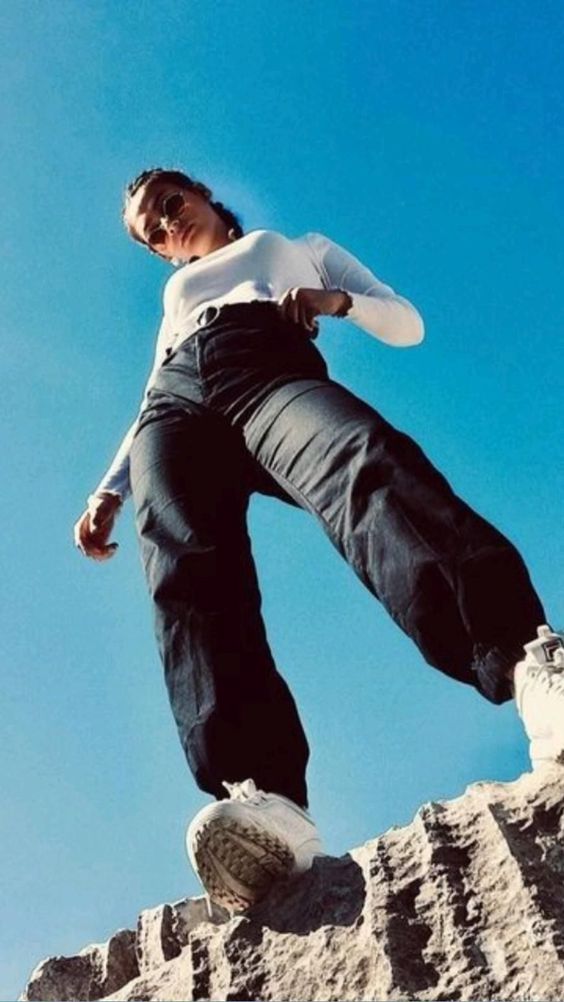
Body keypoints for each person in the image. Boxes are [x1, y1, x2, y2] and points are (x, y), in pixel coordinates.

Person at [74, 167, 564, 914]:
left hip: (265, 364)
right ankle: (266, 804)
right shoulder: (178, 296)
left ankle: (530, 665)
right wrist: (110, 486)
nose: (167, 227)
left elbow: (404, 321)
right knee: (185, 568)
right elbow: (149, 393)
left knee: (367, 467)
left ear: (204, 194)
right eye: (152, 234)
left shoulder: (299, 247)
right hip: (176, 404)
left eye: (170, 205)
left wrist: (335, 301)